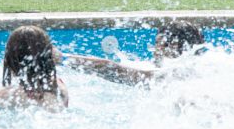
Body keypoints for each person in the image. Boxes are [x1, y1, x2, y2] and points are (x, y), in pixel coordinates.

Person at [62, 20, 205, 86]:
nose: (155, 51)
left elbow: (115, 70)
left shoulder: (177, 74)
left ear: (173, 46)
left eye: (159, 45)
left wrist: (63, 59)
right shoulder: (207, 68)